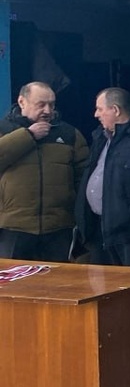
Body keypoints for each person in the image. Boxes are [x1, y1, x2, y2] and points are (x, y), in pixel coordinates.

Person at [0, 81, 89, 261]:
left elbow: (83, 179)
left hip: (59, 227)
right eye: (41, 104)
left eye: (52, 104)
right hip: (13, 226)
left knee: (59, 278)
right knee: (15, 278)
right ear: (22, 102)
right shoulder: (4, 129)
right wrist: (27, 136)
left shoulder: (69, 134)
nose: (48, 111)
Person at [77, 87, 130, 266]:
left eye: (100, 109)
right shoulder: (100, 137)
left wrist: (129, 213)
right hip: (99, 229)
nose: (95, 114)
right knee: (103, 282)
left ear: (115, 110)